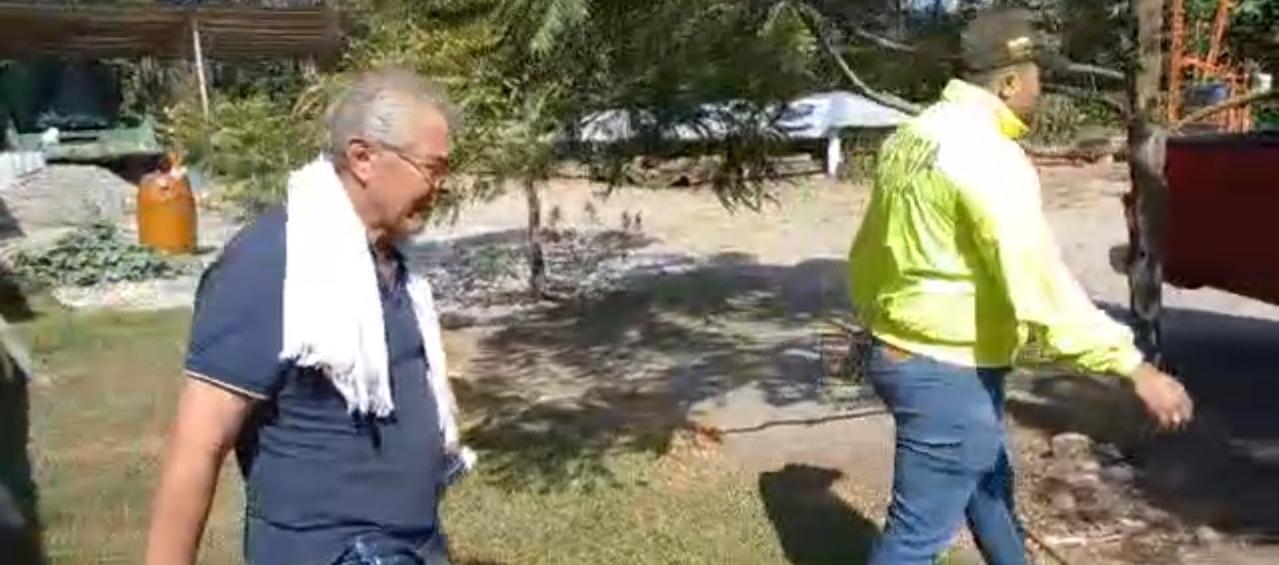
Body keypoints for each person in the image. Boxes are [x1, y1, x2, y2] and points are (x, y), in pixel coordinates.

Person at [847, 8, 1194, 565]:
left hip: (912, 353)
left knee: (990, 491)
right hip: (944, 368)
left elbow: (870, 253)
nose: (1043, 87)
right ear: (1009, 82)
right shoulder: (987, 156)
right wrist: (1133, 367)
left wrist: (876, 321)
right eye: (1038, 75)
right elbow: (1039, 282)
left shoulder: (913, 137)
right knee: (914, 539)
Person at [145, 68, 472, 565]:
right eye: (432, 167)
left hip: (410, 546)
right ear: (364, 158)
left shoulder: (389, 264)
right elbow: (197, 446)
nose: (441, 186)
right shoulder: (273, 264)